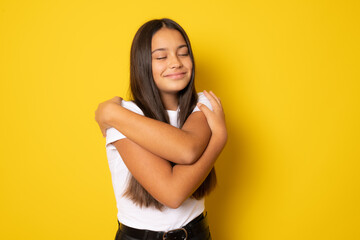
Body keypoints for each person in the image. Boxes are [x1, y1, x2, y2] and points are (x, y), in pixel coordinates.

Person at [95, 18, 227, 240]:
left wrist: (110, 114)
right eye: (161, 57)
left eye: (183, 53)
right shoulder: (126, 114)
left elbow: (188, 148)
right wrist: (218, 139)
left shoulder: (203, 104)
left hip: (197, 234)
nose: (175, 62)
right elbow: (172, 194)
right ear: (142, 64)